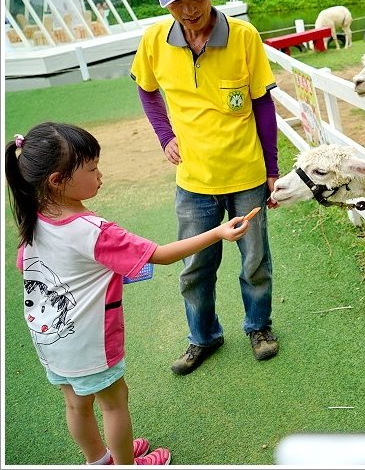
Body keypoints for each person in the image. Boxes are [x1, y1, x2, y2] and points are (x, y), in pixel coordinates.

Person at [5, 122, 252, 465]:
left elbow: (26, 266)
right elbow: (161, 255)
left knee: (76, 404)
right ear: (57, 181)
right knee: (114, 403)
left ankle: (98, 460)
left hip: (50, 338)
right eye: (92, 169)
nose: (100, 175)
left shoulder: (35, 218)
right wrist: (218, 232)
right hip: (90, 342)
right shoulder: (94, 231)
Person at [130, 0, 281, 376]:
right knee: (195, 265)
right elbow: (147, 89)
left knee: (255, 261)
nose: (188, 9)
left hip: (246, 172)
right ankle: (203, 336)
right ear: (162, 1)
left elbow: (262, 104)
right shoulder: (154, 41)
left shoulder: (244, 36)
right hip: (194, 179)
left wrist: (271, 170)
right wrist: (165, 136)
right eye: (176, 1)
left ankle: (259, 327)